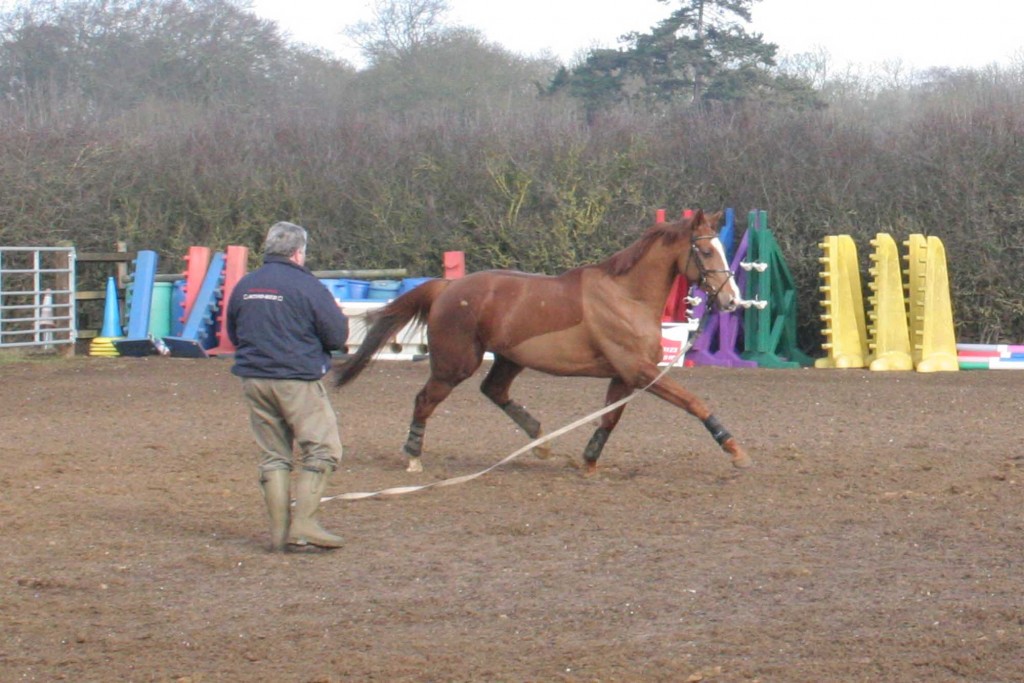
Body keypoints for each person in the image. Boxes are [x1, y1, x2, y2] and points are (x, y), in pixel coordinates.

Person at [226, 221, 349, 552]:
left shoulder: (245, 285)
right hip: (296, 380)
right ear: (299, 252)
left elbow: (234, 332)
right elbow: (337, 335)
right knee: (324, 449)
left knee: (274, 456)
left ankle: (279, 534)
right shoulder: (307, 286)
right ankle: (304, 525)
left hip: (253, 379)